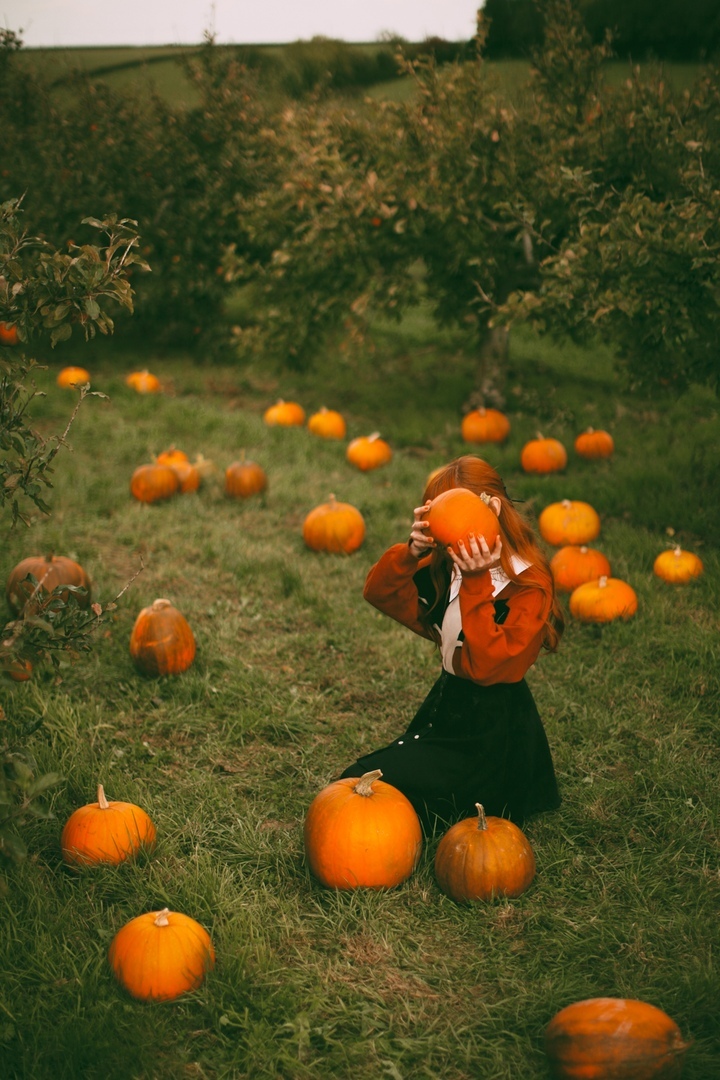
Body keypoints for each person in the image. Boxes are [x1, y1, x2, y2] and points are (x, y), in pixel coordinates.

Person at [340, 454, 564, 831]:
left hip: (493, 733)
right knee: (355, 786)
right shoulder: (449, 565)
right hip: (447, 709)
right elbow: (381, 594)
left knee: (379, 799)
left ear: (491, 507)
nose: (442, 529)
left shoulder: (527, 585)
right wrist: (411, 555)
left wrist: (477, 584)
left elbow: (491, 666)